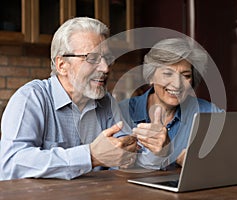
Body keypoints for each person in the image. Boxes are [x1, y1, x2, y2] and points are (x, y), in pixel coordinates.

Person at [0, 17, 137, 180]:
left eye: (107, 58)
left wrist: (149, 149)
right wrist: (90, 156)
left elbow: (126, 154)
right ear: (62, 65)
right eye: (92, 58)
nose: (105, 68)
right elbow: (10, 164)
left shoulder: (106, 101)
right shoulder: (31, 97)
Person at [119, 37, 237, 170]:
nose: (177, 84)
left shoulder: (205, 111)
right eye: (167, 74)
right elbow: (112, 166)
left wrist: (204, 158)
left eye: (185, 75)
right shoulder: (123, 112)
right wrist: (173, 155)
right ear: (151, 77)